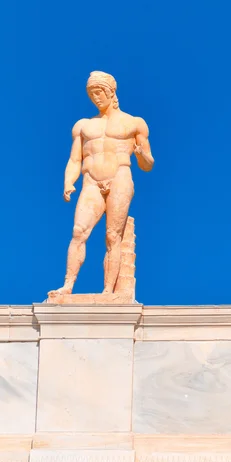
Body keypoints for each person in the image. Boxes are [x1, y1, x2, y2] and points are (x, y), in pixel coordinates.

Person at [48, 71, 154, 297]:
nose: (96, 98)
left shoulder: (134, 123)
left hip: (120, 176)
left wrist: (140, 155)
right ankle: (68, 285)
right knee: (78, 231)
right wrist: (69, 180)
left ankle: (108, 290)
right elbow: (75, 159)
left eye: (99, 92)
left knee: (112, 235)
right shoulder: (83, 126)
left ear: (111, 92)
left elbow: (148, 163)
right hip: (91, 181)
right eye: (91, 94)